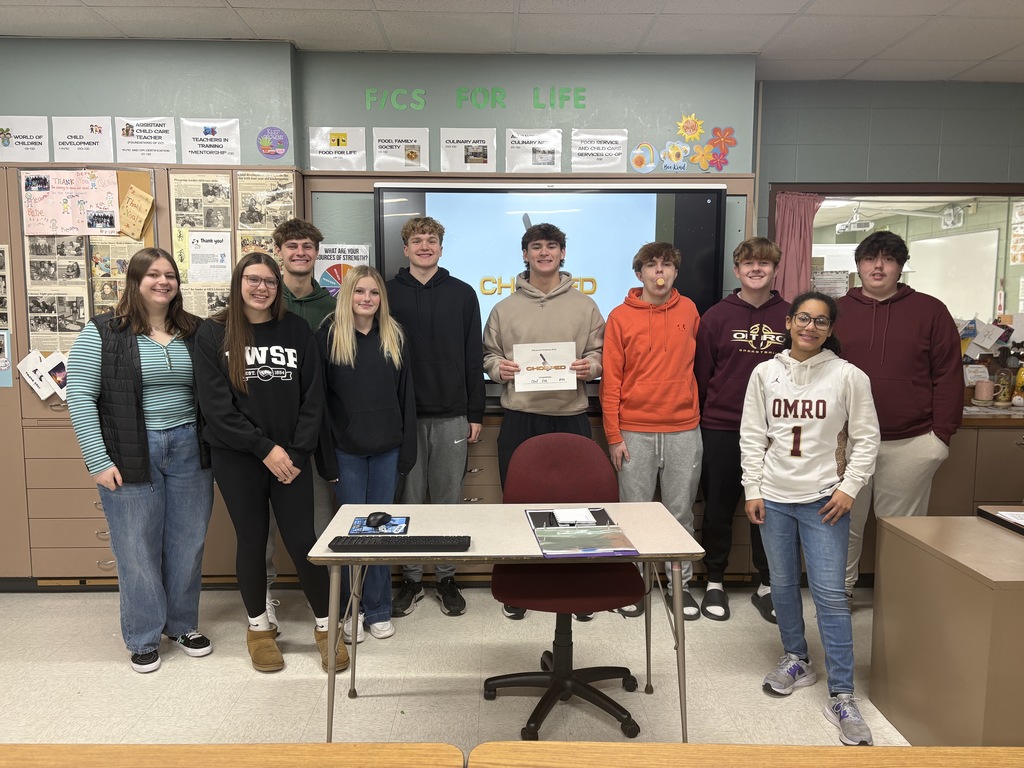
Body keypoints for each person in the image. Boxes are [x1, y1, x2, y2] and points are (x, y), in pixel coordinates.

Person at [194, 252, 347, 674]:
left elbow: (313, 398)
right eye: (253, 280)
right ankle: (259, 628)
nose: (262, 288)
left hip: (292, 459)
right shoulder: (214, 333)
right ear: (238, 283)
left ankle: (325, 626)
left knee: (302, 541)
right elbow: (216, 408)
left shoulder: (296, 329)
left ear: (279, 287)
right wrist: (264, 448)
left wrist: (294, 452)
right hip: (239, 458)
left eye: (270, 282)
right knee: (252, 540)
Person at [740, 291, 879, 747]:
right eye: (804, 318)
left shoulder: (847, 376)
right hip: (774, 498)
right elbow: (752, 435)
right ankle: (796, 658)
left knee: (831, 597)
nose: (810, 327)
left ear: (830, 329)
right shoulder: (765, 372)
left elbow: (866, 439)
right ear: (789, 321)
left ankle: (842, 694)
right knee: (781, 586)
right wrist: (753, 489)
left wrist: (849, 489)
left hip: (824, 500)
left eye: (821, 321)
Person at [67, 247, 214, 673]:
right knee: (135, 548)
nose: (163, 281)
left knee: (188, 543)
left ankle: (183, 624)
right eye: (153, 274)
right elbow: (79, 395)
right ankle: (144, 635)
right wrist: (97, 459)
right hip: (131, 450)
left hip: (190, 449)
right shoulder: (103, 332)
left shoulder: (195, 331)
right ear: (135, 280)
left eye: (170, 274)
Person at [483, 222, 604, 620]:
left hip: (571, 417)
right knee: (519, 504)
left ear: (563, 254)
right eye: (536, 247)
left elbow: (601, 353)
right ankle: (520, 586)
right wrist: (499, 368)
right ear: (525, 254)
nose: (544, 253)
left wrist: (592, 367)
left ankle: (578, 586)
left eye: (552, 246)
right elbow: (487, 357)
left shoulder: (585, 306)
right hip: (520, 417)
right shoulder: (503, 308)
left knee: (578, 507)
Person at [835, 232, 962, 603]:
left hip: (911, 442)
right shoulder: (836, 311)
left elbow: (949, 375)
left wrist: (940, 438)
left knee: (901, 530)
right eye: (870, 259)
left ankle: (897, 604)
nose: (878, 266)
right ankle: (839, 596)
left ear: (901, 266)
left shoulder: (930, 311)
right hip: (848, 442)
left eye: (888, 259)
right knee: (843, 526)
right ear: (858, 265)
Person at [387, 217, 485, 618]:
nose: (424, 246)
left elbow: (472, 356)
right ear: (406, 249)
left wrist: (474, 411)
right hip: (403, 416)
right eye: (416, 240)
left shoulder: (463, 294)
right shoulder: (386, 294)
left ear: (441, 248)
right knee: (408, 501)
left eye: (431, 240)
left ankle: (445, 576)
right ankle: (411, 578)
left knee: (447, 501)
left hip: (452, 416)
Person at [600, 242, 703, 619]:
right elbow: (610, 381)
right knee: (633, 513)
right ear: (639, 273)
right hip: (634, 432)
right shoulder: (619, 317)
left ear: (676, 272)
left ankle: (680, 588)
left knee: (680, 512)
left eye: (666, 265)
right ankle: (634, 587)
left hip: (683, 429)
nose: (659, 272)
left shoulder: (690, 311)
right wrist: (614, 436)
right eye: (651, 265)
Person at [318, 265, 416, 643]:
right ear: (347, 295)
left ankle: (377, 608)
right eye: (360, 292)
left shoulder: (395, 336)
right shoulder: (328, 335)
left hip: (388, 450)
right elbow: (320, 402)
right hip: (346, 452)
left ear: (381, 299)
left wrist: (407, 451)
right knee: (349, 534)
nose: (367, 299)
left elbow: (406, 397)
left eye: (374, 293)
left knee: (380, 532)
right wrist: (326, 457)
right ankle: (350, 611)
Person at [694, 237, 789, 623]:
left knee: (768, 509)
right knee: (717, 508)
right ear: (736, 270)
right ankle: (714, 580)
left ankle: (767, 583)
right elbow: (701, 376)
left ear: (774, 269)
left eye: (764, 264)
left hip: (775, 431)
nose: (756, 269)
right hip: (721, 426)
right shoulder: (715, 316)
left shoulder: (791, 315)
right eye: (748, 263)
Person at [262, 218, 337, 629]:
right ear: (280, 252)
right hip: (271, 433)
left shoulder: (332, 306)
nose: (300, 253)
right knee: (265, 526)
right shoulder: (265, 300)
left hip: (318, 431)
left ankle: (322, 600)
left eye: (307, 246)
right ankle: (266, 596)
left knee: (317, 519)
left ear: (316, 253)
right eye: (292, 246)